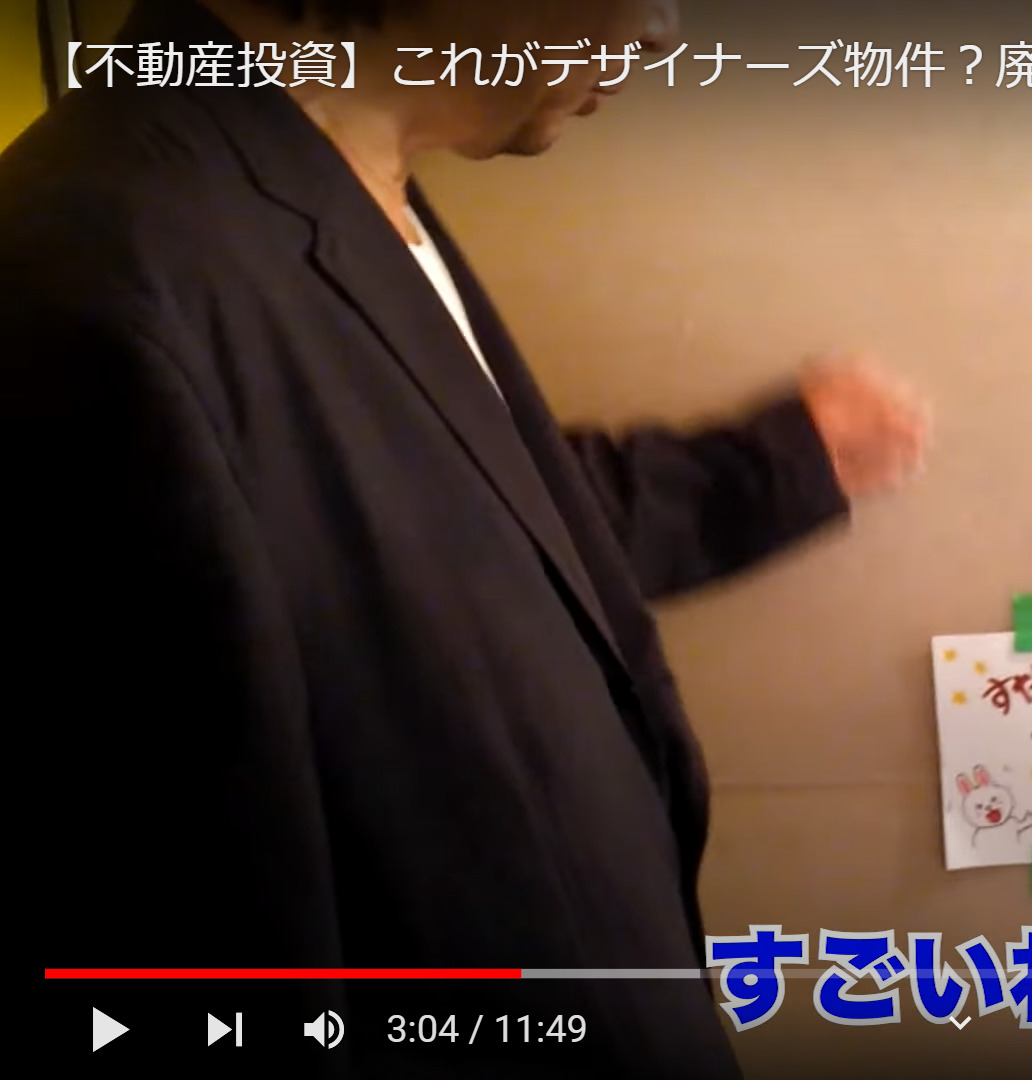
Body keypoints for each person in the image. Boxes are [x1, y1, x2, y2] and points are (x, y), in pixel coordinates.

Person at [2, 0, 927, 1075]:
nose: (663, 30)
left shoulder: (321, 187)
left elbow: (439, 521)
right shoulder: (88, 286)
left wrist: (771, 471)